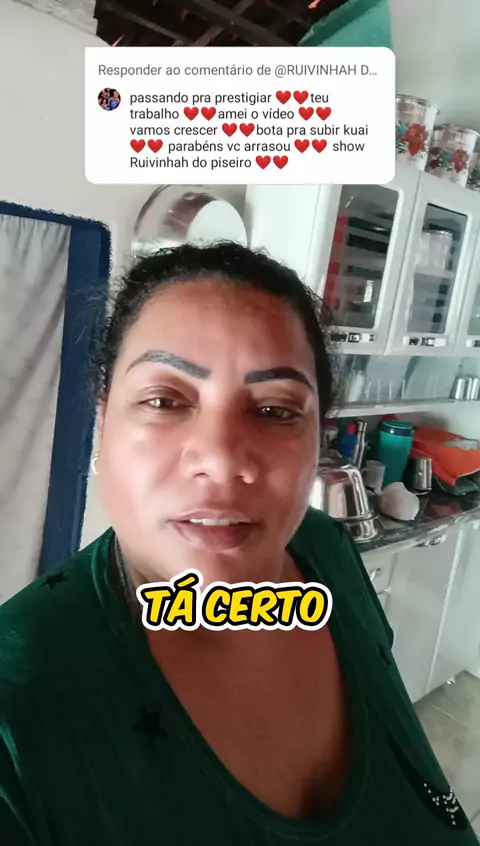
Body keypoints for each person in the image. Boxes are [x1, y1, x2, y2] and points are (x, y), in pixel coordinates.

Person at [0, 242, 477, 845]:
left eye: (276, 410)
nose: (223, 461)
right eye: (164, 400)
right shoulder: (17, 715)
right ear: (103, 421)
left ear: (318, 438)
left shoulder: (326, 550)